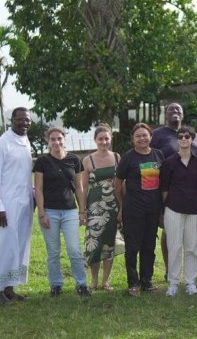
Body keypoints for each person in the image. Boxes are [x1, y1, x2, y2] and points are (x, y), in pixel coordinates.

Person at [0, 108, 34, 305]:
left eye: (27, 120)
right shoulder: (1, 144)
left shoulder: (25, 142)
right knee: (1, 246)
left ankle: (9, 288)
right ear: (12, 120)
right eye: (20, 119)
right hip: (5, 206)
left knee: (17, 246)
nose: (24, 123)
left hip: (23, 204)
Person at [34, 127, 90, 297]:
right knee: (53, 252)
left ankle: (81, 284)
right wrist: (41, 213)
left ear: (64, 139)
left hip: (70, 212)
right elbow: (38, 189)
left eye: (59, 138)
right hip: (49, 211)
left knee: (75, 250)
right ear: (48, 141)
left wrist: (82, 211)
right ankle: (56, 285)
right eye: (53, 139)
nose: (56, 142)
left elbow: (79, 187)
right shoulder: (42, 161)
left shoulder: (75, 160)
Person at [114, 123, 164, 297]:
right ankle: (133, 283)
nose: (142, 138)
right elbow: (117, 184)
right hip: (133, 210)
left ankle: (146, 281)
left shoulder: (159, 154)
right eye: (138, 136)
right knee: (132, 248)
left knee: (149, 247)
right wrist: (122, 206)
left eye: (145, 135)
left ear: (151, 137)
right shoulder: (128, 157)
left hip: (153, 210)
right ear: (133, 139)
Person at [160, 126, 197, 296]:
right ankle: (173, 282)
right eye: (180, 136)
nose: (183, 139)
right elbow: (164, 188)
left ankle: (190, 282)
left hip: (194, 209)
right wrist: (166, 207)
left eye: (187, 136)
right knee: (174, 247)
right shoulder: (169, 162)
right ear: (177, 139)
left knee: (192, 247)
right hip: (173, 209)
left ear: (192, 139)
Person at [81, 123, 120, 292]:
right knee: (94, 244)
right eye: (100, 139)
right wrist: (83, 210)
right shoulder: (87, 160)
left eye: (106, 138)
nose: (104, 142)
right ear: (95, 140)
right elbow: (83, 187)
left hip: (113, 206)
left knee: (109, 244)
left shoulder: (117, 157)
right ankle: (94, 281)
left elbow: (121, 184)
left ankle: (106, 281)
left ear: (111, 139)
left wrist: (122, 207)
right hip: (94, 207)